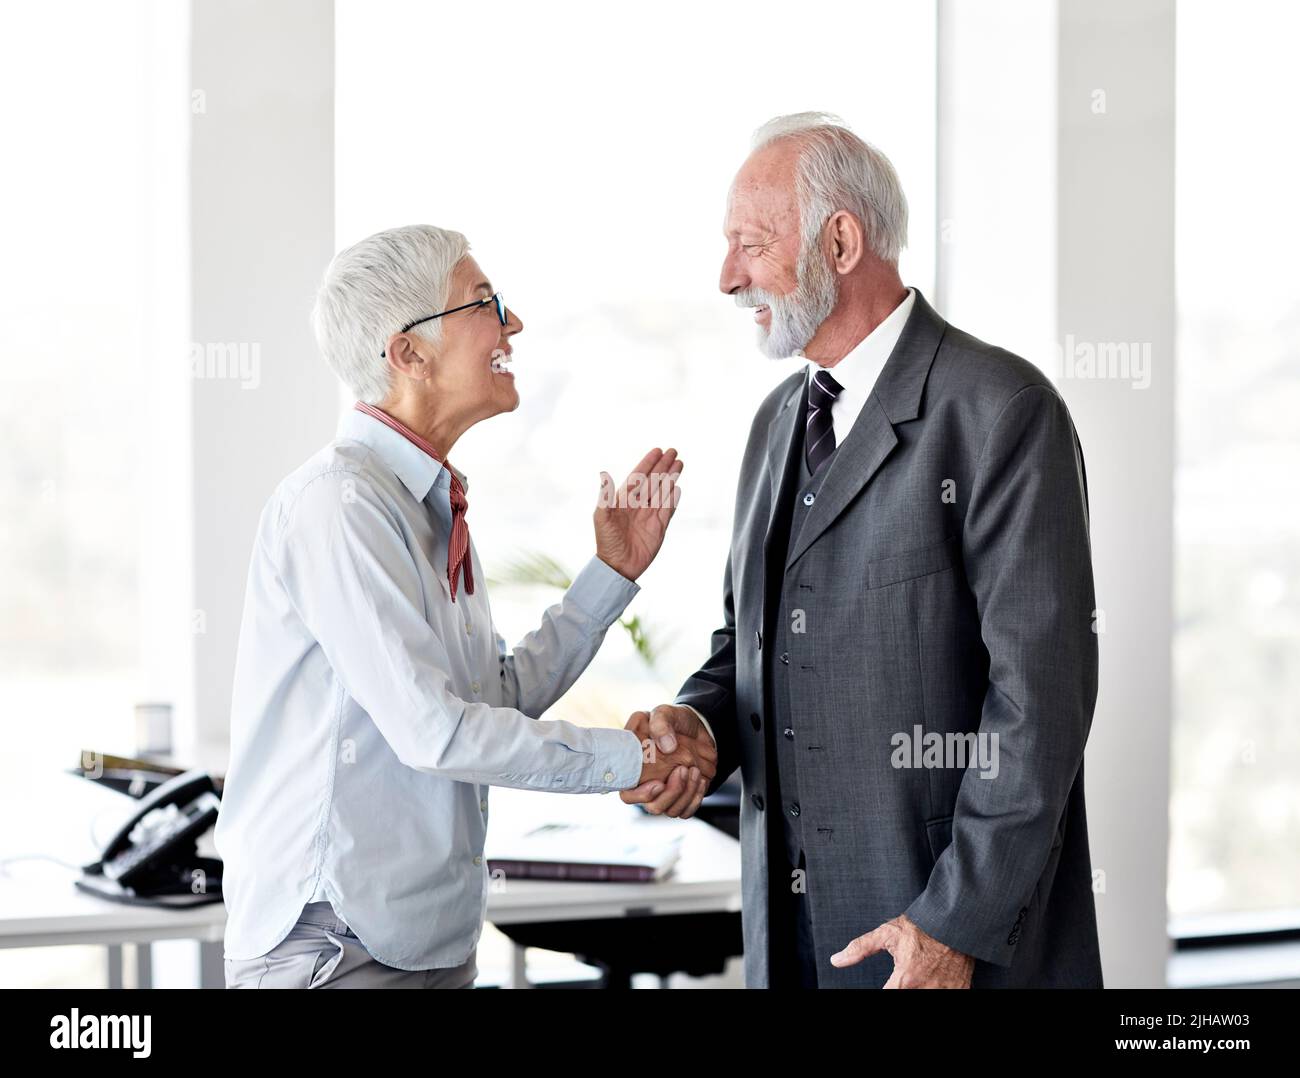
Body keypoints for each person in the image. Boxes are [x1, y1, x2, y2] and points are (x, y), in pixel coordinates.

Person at [622, 114, 1102, 989]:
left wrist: (952, 925)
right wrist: (696, 729)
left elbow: (1040, 705)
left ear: (840, 241)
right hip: (791, 945)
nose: (727, 276)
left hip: (940, 947)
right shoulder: (777, 424)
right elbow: (752, 650)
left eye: (749, 244)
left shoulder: (1000, 411)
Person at [216, 224, 716, 988]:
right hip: (336, 945)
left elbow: (486, 701)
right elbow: (436, 733)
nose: (512, 324)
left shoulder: (427, 503)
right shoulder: (340, 507)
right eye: (485, 304)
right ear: (408, 354)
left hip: (425, 938)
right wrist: (632, 757)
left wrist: (611, 573)